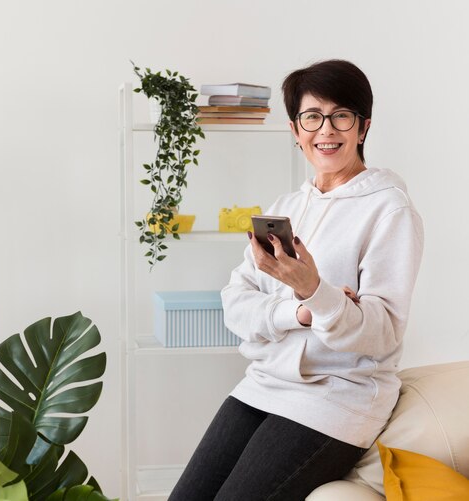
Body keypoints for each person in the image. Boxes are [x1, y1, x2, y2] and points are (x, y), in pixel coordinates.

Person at [169, 59, 424, 501]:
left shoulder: (391, 210)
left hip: (336, 400)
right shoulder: (288, 206)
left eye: (341, 115)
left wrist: (314, 290)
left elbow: (382, 332)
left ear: (362, 128)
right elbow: (235, 301)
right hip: (264, 383)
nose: (326, 130)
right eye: (312, 117)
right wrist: (301, 311)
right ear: (295, 129)